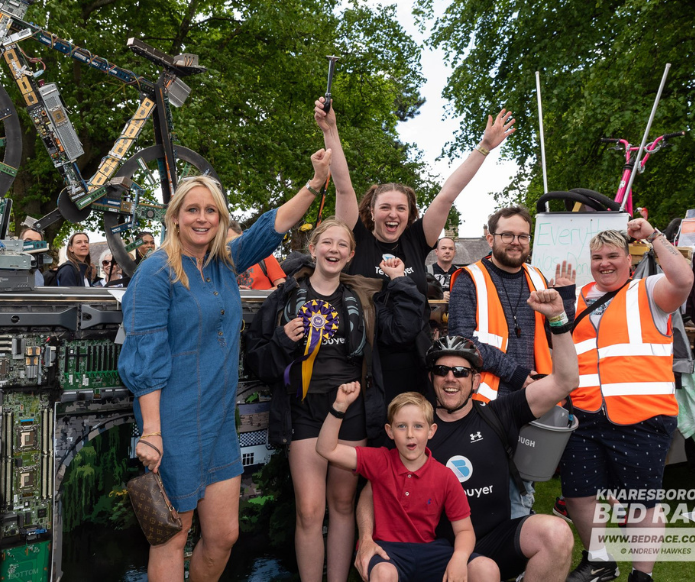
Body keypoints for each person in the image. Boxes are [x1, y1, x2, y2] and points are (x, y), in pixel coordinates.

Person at [118, 148, 332, 582]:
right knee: (172, 537)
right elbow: (146, 358)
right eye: (192, 209)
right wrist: (153, 433)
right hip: (173, 421)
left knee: (224, 535)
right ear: (174, 217)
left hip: (218, 420)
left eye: (211, 211)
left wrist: (316, 181)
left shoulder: (224, 261)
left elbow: (272, 226)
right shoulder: (156, 273)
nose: (202, 218)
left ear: (219, 218)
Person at [356, 288, 579, 582]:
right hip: (430, 551)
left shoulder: (501, 412)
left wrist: (557, 319)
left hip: (491, 542)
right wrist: (366, 539)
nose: (451, 378)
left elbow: (566, 380)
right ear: (431, 377)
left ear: (475, 379)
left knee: (556, 533)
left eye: (461, 371)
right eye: (442, 370)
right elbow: (372, 489)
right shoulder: (411, 427)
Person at [245, 218, 426, 582]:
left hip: (351, 409)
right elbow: (255, 359)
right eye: (327, 243)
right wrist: (282, 339)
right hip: (304, 409)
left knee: (342, 505)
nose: (334, 250)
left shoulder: (364, 297)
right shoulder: (286, 297)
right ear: (313, 249)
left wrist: (400, 281)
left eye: (342, 245)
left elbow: (404, 330)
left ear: (351, 254)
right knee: (309, 511)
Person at [315, 97, 515, 401]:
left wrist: (484, 148)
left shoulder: (416, 239)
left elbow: (448, 194)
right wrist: (331, 130)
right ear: (371, 210)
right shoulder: (357, 240)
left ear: (410, 214)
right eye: (385, 207)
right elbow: (344, 186)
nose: (393, 214)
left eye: (401, 208)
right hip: (367, 361)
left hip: (415, 360)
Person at [563, 221, 693, 582]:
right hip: (586, 415)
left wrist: (653, 237)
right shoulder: (577, 297)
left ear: (629, 262)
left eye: (612, 256)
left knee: (641, 504)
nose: (604, 263)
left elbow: (683, 280)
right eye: (597, 257)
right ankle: (600, 562)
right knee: (578, 494)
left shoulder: (650, 290)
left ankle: (641, 574)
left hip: (643, 416)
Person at [447, 205, 575, 516]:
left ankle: (514, 549)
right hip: (485, 400)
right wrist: (517, 374)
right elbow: (464, 341)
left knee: (523, 484)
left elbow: (555, 332)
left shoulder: (537, 276)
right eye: (507, 235)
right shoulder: (469, 278)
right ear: (489, 238)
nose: (515, 242)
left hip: (535, 397)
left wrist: (566, 299)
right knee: (480, 485)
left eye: (522, 236)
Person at [318, 388, 477, 582]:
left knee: (485, 568)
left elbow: (465, 530)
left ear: (431, 430)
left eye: (418, 426)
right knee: (383, 573)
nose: (410, 434)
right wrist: (339, 406)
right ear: (389, 431)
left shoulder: (445, 476)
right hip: (388, 552)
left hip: (430, 552)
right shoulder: (379, 460)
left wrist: (459, 558)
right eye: (401, 426)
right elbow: (326, 449)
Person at [228, 221, 287, 290]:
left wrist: (253, 294)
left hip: (263, 300)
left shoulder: (262, 255)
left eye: (233, 240)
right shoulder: (222, 265)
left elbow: (282, 286)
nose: (232, 246)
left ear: (241, 234)